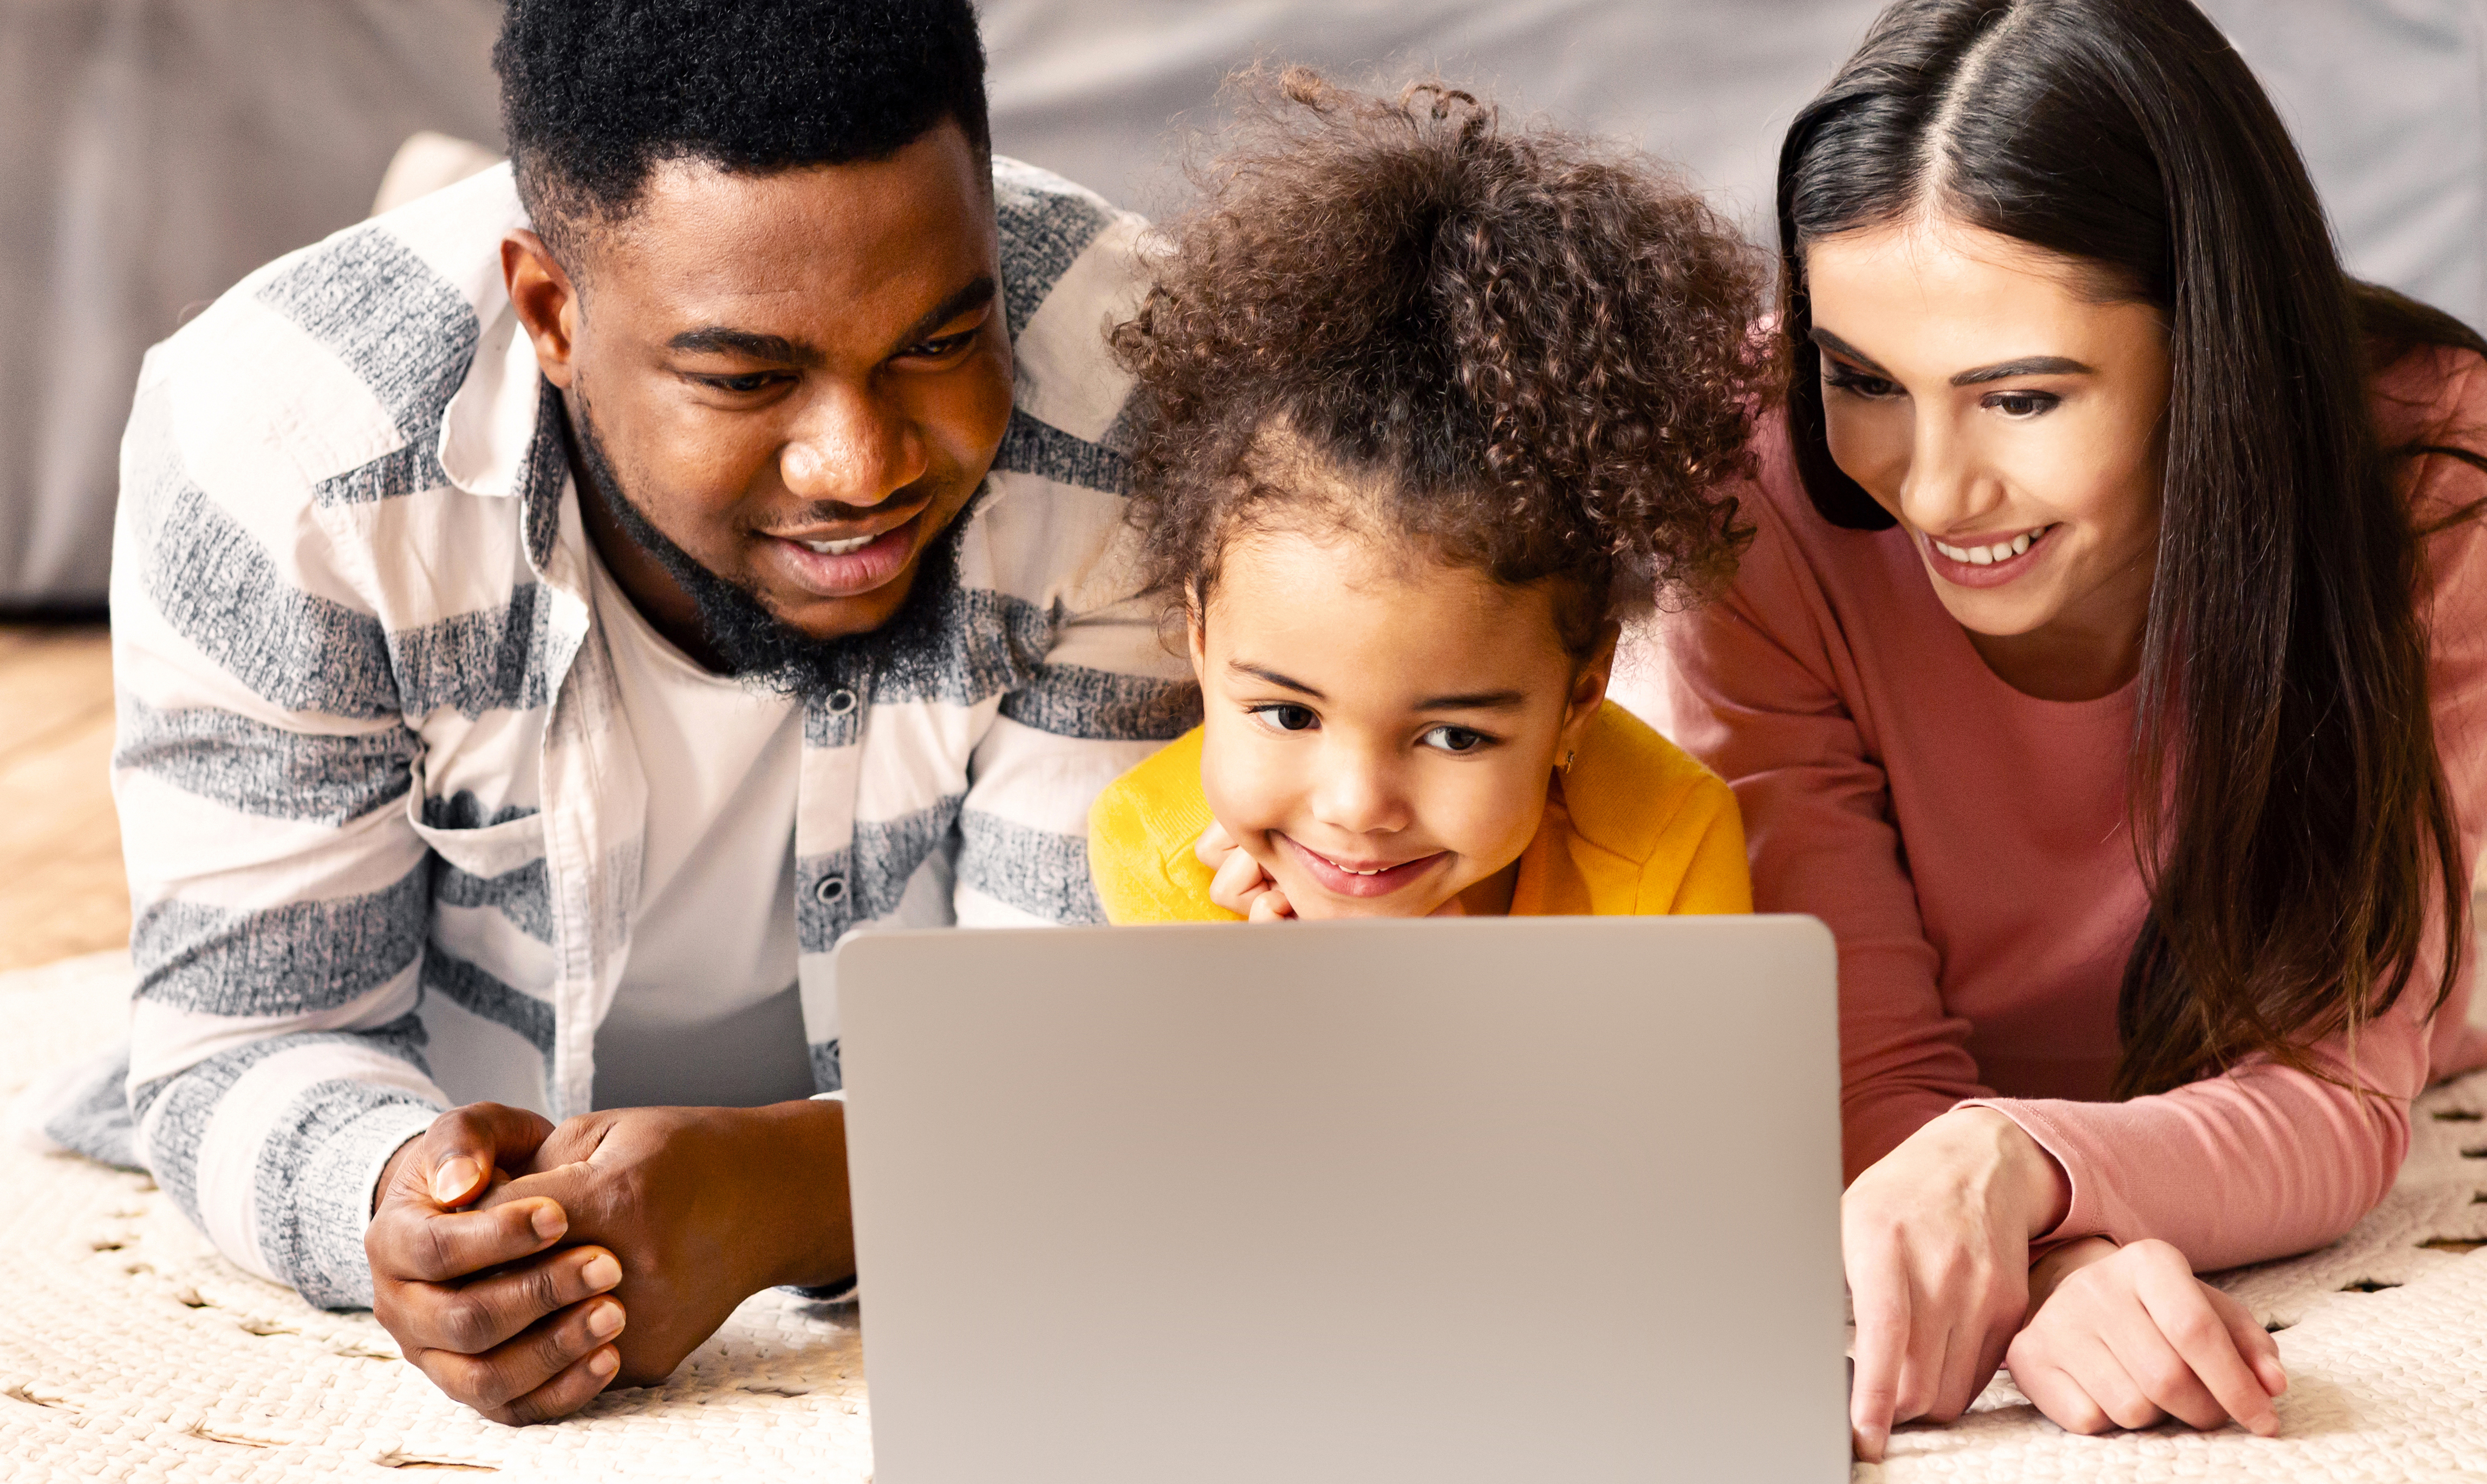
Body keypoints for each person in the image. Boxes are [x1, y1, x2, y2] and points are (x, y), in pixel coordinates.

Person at [53, 0, 1195, 1426]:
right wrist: (414, 1206)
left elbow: (1100, 1055)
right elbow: (241, 1037)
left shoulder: (1135, 390)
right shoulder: (281, 452)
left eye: (936, 343)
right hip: (462, 1085)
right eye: (747, 376)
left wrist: (785, 1196)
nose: (859, 465)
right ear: (550, 310)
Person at [1656, 0, 2487, 1457]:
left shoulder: (2433, 474)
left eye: (2022, 397)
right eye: (1863, 382)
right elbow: (1858, 1060)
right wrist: (2052, 1255)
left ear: (2208, 347)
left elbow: (2341, 1085)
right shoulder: (1751, 488)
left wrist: (2017, 1162)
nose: (1931, 491)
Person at [1086, 73, 1761, 926]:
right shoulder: (1155, 853)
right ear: (1200, 638)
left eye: (1455, 737)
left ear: (1578, 702)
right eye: (1289, 715)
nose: (1358, 808)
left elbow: (1700, 1066)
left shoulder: (1665, 846)